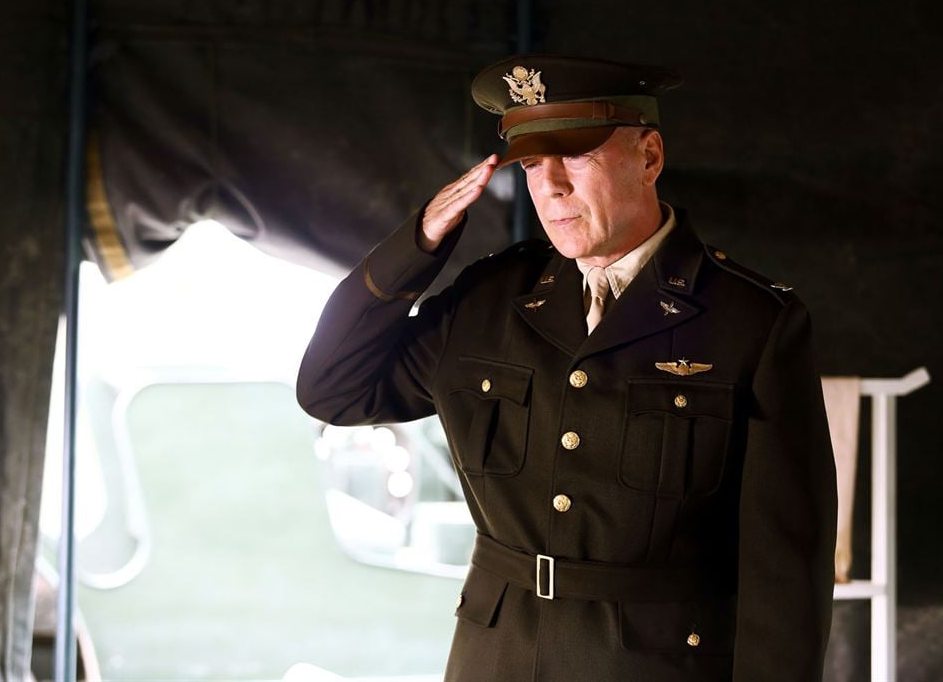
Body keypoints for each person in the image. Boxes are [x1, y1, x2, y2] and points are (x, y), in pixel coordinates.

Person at [296, 54, 837, 682]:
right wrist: (415, 247)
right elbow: (333, 390)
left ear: (649, 156)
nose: (551, 185)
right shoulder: (489, 301)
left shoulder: (752, 321)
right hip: (495, 658)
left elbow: (785, 567)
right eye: (531, 164)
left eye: (575, 156)